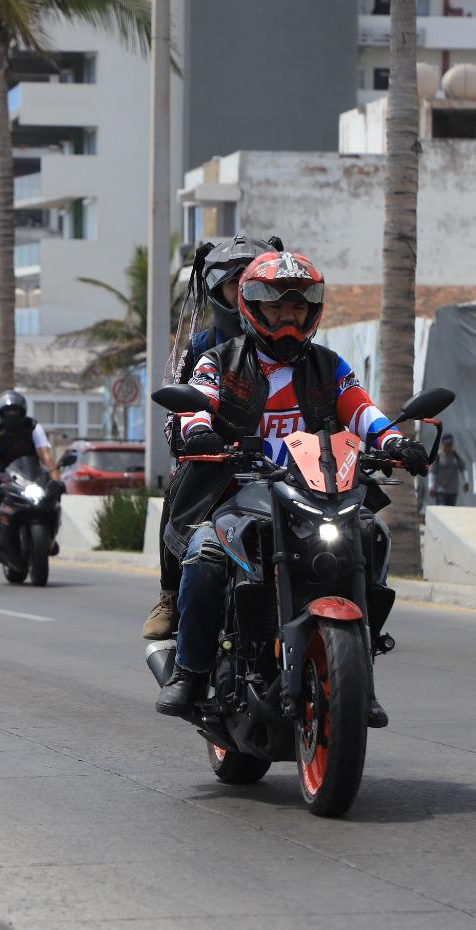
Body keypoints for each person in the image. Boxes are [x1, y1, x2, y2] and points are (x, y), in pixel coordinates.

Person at [154, 250, 430, 723]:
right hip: (240, 493)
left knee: (371, 537)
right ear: (254, 307)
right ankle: (191, 672)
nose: (289, 315)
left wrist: (396, 441)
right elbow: (198, 401)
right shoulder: (221, 360)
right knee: (205, 554)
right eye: (278, 305)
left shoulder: (329, 366)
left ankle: (358, 672)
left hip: (320, 494)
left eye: (299, 306)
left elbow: (363, 411)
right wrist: (199, 428)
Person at [143, 234, 281, 641]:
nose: (244, 292)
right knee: (179, 498)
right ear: (217, 290)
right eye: (234, 283)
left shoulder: (303, 350)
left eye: (254, 282)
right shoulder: (202, 346)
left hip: (285, 468)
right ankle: (170, 597)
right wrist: (195, 439)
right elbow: (178, 413)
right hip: (218, 464)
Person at [0, 390, 58, 552]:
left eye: (15, 410)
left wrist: (57, 479)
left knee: (54, 494)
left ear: (22, 411)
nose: (12, 414)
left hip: (32, 475)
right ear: (1, 413)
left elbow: (45, 456)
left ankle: (51, 534)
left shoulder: (33, 427)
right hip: (5, 477)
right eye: (8, 411)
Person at [428, 436, 467, 506]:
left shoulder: (455, 456)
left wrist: (466, 482)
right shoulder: (438, 456)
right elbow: (432, 472)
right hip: (441, 492)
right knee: (442, 512)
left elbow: (463, 468)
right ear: (443, 444)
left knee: (450, 513)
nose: (449, 446)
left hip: (453, 491)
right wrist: (431, 487)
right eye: (447, 444)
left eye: (451, 444)